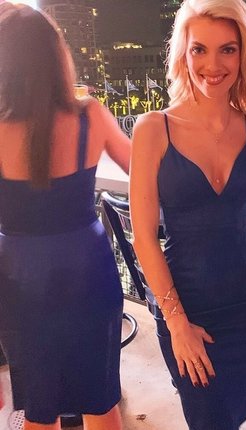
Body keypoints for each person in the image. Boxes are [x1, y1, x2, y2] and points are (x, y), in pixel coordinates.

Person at [129, 0, 246, 428]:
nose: (213, 64)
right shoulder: (153, 129)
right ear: (183, 55)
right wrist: (177, 323)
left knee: (236, 412)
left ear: (242, 55)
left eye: (227, 49)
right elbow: (143, 237)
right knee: (206, 416)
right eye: (199, 49)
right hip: (186, 304)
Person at [0, 4, 131, 430]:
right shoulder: (90, 114)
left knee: (39, 411)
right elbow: (146, 172)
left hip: (19, 280)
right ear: (57, 57)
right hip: (87, 272)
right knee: (101, 403)